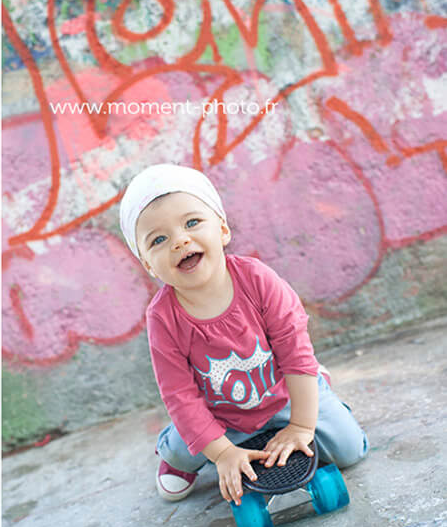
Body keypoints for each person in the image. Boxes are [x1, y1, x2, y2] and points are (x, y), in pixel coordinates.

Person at [119, 164, 368, 505]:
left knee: (349, 450)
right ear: (148, 264)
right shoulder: (163, 318)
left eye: (192, 222)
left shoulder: (258, 280)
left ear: (221, 229)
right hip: (220, 414)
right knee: (183, 447)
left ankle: (314, 386)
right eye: (158, 240)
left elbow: (295, 352)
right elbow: (180, 395)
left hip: (281, 396)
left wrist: (300, 427)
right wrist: (222, 453)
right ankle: (174, 455)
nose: (180, 240)